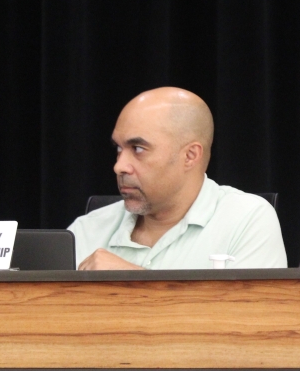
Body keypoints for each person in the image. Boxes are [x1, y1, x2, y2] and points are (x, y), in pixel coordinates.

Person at [68, 87, 287, 270]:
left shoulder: (246, 220)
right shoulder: (87, 230)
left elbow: (248, 320)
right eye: (118, 148)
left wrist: (135, 283)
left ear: (190, 156)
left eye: (138, 148)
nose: (119, 166)